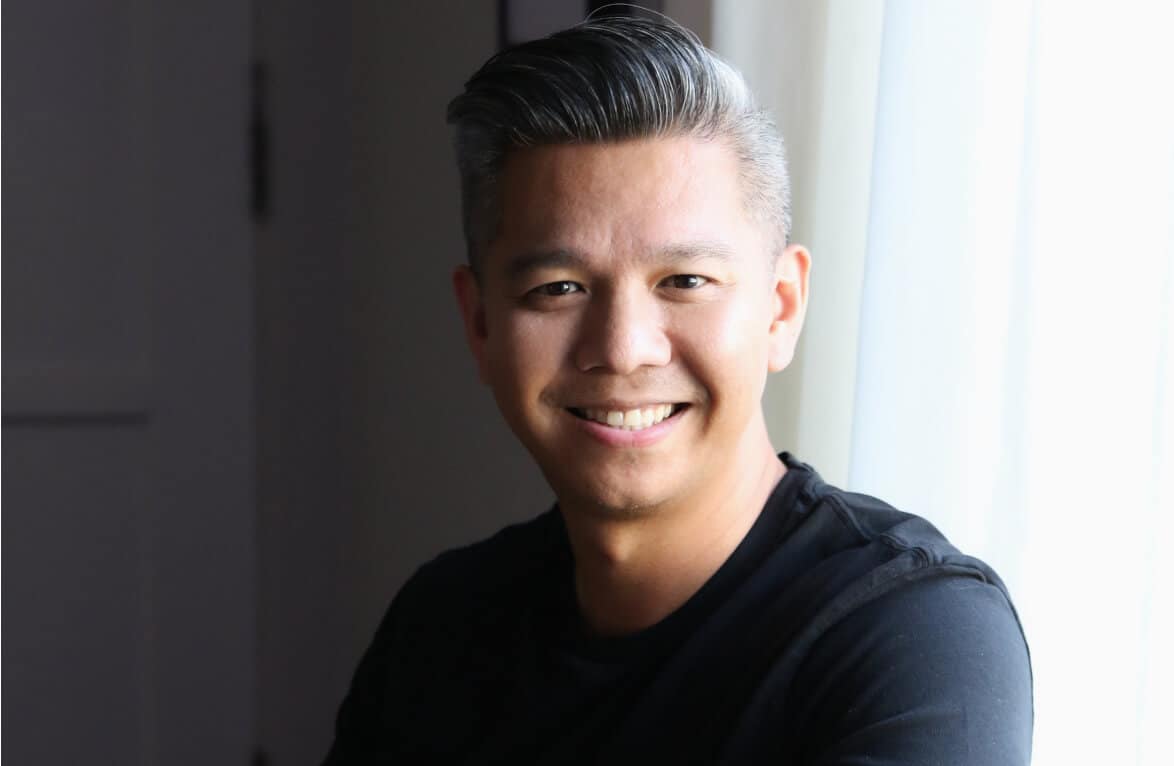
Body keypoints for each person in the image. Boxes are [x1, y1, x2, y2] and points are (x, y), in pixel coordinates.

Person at [324, 15, 1033, 765]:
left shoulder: (912, 636)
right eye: (559, 288)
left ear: (782, 306)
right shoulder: (440, 628)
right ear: (480, 325)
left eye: (685, 282)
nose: (624, 348)